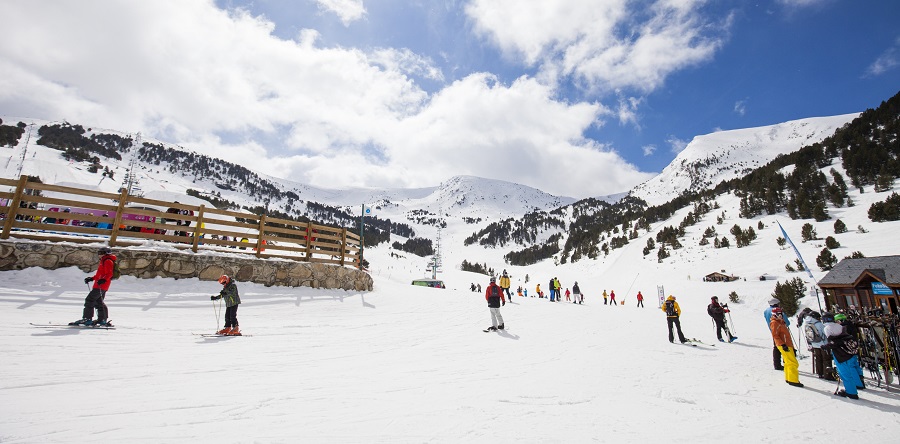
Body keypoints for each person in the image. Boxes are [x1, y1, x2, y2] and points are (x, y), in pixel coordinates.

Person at [69, 246, 116, 327]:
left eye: (101, 253)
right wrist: (92, 278)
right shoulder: (104, 261)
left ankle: (87, 319)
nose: (99, 255)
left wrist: (103, 280)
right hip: (100, 285)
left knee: (90, 300)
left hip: (101, 285)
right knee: (99, 302)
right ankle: (102, 319)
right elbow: (100, 274)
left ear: (106, 254)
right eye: (99, 253)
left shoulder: (107, 261)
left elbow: (109, 273)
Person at [822, 313, 861, 399]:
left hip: (839, 353)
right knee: (851, 369)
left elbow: (834, 342)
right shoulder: (839, 326)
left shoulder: (827, 328)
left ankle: (851, 392)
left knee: (844, 373)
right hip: (848, 350)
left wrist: (826, 346)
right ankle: (855, 386)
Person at [770, 307, 803, 387]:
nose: (780, 315)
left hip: (787, 344)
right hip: (784, 344)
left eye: (781, 314)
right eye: (778, 314)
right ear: (774, 314)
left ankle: (789, 378)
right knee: (792, 362)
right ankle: (793, 380)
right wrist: (782, 344)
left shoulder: (781, 322)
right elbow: (775, 335)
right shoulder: (775, 323)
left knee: (788, 362)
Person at [802, 310, 835, 380]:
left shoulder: (807, 323)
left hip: (814, 344)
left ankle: (820, 373)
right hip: (823, 344)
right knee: (826, 359)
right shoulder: (819, 324)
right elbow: (825, 333)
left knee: (818, 359)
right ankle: (827, 375)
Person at [764, 298, 790, 370]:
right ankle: (786, 363)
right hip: (782, 331)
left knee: (776, 347)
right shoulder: (778, 311)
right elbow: (786, 322)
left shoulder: (766, 311)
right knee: (785, 347)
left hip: (773, 330)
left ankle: (777, 364)